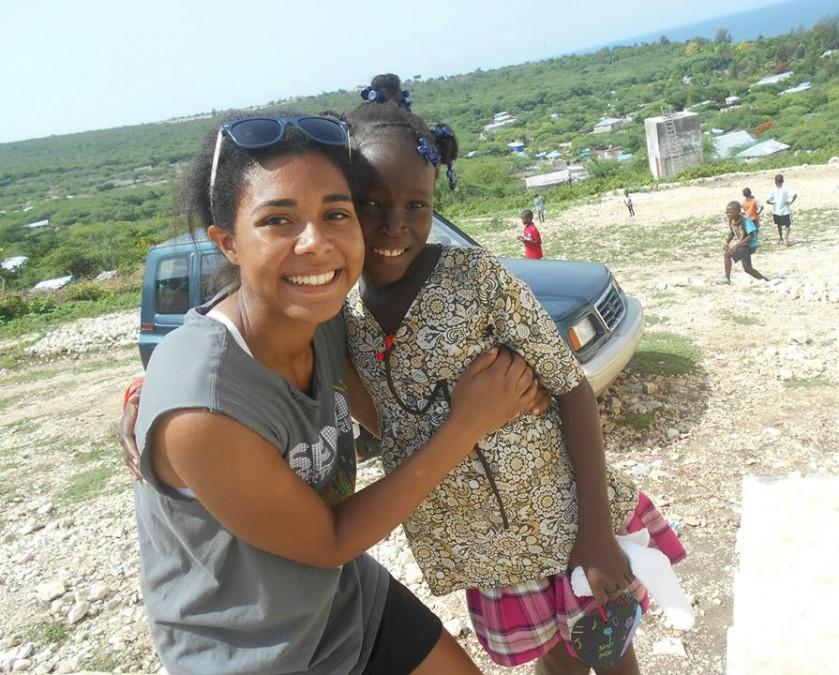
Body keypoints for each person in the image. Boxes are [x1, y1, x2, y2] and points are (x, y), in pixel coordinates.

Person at [129, 111, 545, 674]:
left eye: (335, 214)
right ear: (227, 242)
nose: (316, 243)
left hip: (345, 600)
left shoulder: (324, 322)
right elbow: (330, 539)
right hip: (256, 653)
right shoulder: (204, 409)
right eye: (278, 220)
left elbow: (392, 412)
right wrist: (467, 424)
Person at [341, 74, 685, 675]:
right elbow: (380, 412)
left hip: (561, 519)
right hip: (484, 547)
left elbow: (571, 387)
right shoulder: (340, 310)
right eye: (370, 204)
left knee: (606, 652)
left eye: (416, 205)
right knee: (553, 661)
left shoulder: (475, 280)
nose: (394, 224)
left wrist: (597, 532)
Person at [719, 200, 769, 285]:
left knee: (727, 254)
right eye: (727, 212)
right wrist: (727, 242)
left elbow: (751, 236)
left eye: (731, 212)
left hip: (750, 246)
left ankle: (727, 278)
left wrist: (737, 246)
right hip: (744, 245)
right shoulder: (732, 221)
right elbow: (732, 232)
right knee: (747, 268)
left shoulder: (745, 220)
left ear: (738, 211)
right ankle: (766, 280)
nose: (728, 214)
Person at [766, 173, 797, 245]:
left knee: (779, 225)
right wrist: (790, 202)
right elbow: (795, 195)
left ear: (775, 182)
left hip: (776, 211)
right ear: (783, 181)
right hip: (785, 210)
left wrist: (773, 203)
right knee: (788, 225)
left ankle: (780, 238)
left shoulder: (773, 190)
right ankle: (786, 239)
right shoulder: (786, 189)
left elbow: (767, 201)